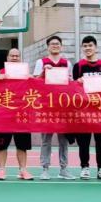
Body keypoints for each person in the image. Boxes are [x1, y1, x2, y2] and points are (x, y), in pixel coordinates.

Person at [33, 35, 74, 180]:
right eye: (52, 44)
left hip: (63, 106)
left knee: (64, 140)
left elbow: (71, 83)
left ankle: (64, 168)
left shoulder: (67, 63)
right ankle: (45, 168)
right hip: (47, 105)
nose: (55, 46)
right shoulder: (41, 62)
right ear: (48, 46)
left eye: (57, 43)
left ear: (61, 46)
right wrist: (43, 72)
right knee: (46, 140)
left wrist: (69, 80)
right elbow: (34, 82)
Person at [72, 35, 101, 181]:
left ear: (96, 47)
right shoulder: (78, 66)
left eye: (90, 45)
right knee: (84, 141)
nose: (88, 48)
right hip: (84, 110)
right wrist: (78, 81)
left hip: (100, 109)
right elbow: (73, 87)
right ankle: (85, 167)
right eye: (85, 46)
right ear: (82, 48)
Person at [0, 48, 34, 180]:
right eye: (12, 56)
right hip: (4, 116)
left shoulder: (26, 73)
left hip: (22, 115)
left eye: (17, 56)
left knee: (22, 146)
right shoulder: (1, 72)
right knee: (2, 145)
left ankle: (23, 170)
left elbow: (36, 87)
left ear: (20, 58)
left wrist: (32, 79)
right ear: (7, 57)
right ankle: (1, 170)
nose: (15, 58)